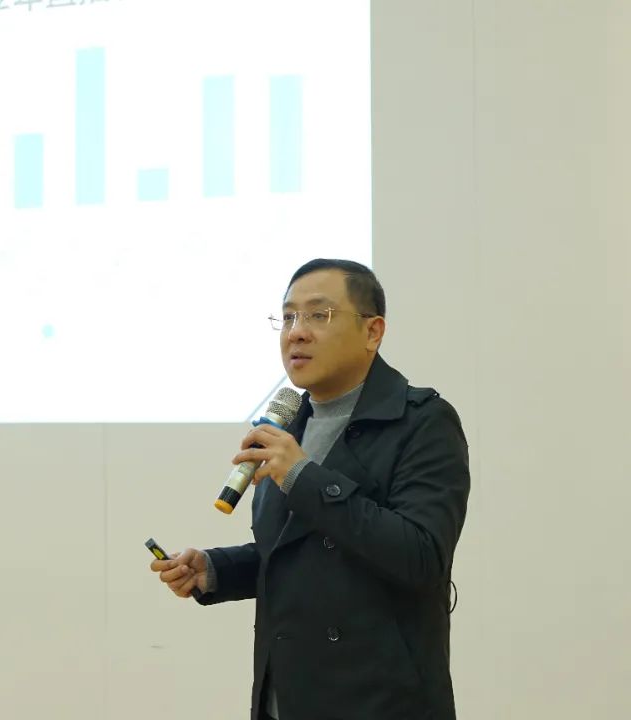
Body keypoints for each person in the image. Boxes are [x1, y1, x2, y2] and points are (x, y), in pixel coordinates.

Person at [150, 259, 470, 720]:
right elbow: (302, 553)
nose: (296, 333)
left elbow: (421, 556)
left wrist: (304, 476)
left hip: (379, 701)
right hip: (286, 698)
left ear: (373, 332)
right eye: (288, 317)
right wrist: (215, 570)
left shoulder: (422, 423)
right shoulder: (289, 424)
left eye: (319, 315)